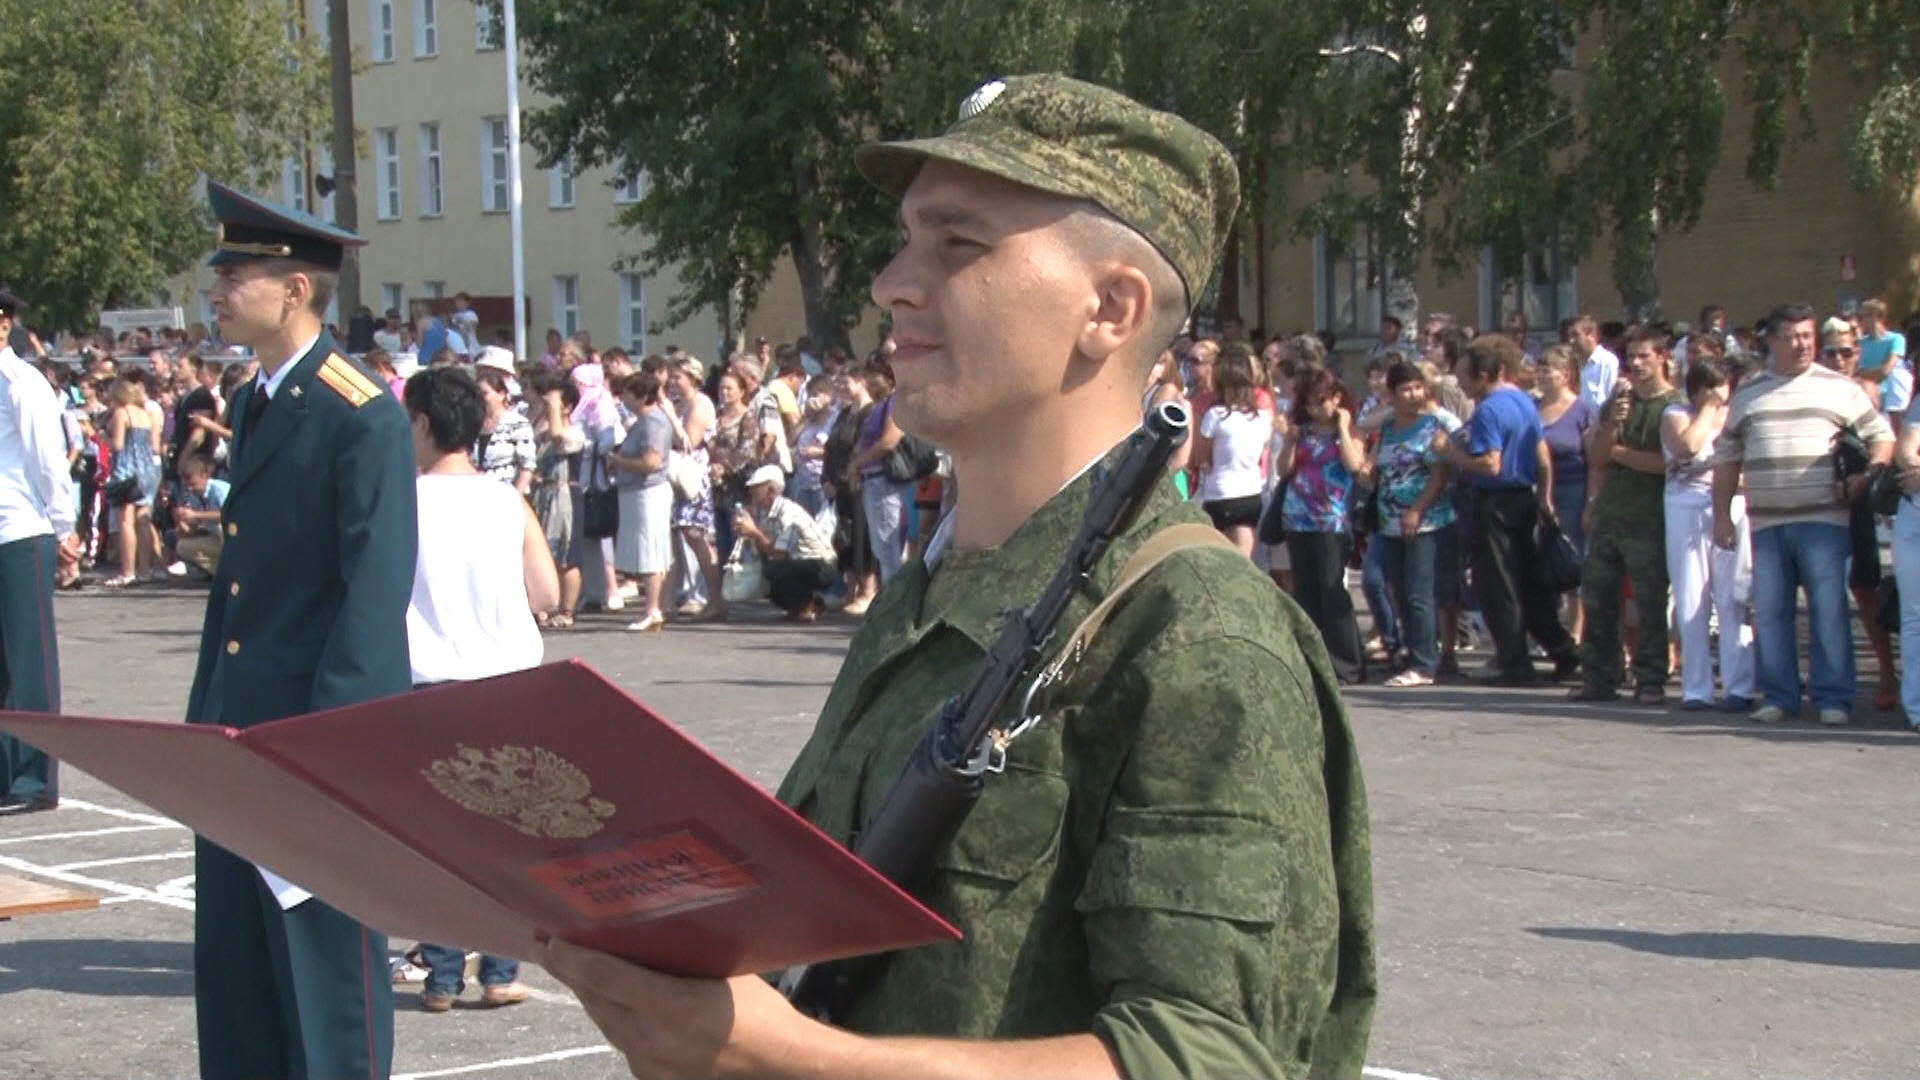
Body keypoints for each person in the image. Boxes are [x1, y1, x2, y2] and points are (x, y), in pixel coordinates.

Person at [537, 73, 1374, 1080]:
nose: (893, 283)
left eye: (959, 245)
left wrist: (783, 1056)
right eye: (905, 241)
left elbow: (1213, 1059)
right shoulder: (931, 589)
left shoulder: (1196, 635)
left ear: (1110, 308)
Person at [186, 180, 416, 1079]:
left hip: (311, 739)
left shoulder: (360, 412)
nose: (217, 289)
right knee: (240, 982)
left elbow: (373, 595)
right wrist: (207, 715)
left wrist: (334, 749)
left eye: (235, 274)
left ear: (293, 290)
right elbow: (241, 585)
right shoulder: (255, 399)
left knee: (326, 986)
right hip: (239, 732)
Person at [401, 366, 556, 1012]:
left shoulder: (402, 502)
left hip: (429, 681)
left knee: (436, 835)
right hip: (507, 682)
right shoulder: (506, 501)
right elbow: (546, 592)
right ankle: (499, 968)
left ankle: (441, 974)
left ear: (423, 424)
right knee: (502, 832)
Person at [1714, 304, 1894, 725]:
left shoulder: (1840, 388)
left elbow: (1881, 437)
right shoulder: (1748, 394)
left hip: (1825, 520)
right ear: (1771, 341)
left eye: (1808, 336)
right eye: (1792, 337)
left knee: (1829, 612)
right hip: (1766, 522)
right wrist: (1721, 516)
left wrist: (1867, 476)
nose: (1802, 345)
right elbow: (1726, 458)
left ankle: (1833, 698)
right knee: (1771, 613)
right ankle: (1779, 696)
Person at [1431, 334, 1579, 685]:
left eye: (1465, 377)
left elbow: (1490, 464)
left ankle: (1515, 663)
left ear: (1483, 376)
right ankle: (1563, 650)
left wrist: (1451, 452)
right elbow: (1542, 456)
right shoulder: (1524, 401)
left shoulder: (1488, 410)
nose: (1461, 385)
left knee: (1499, 586)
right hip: (1524, 497)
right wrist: (1543, 498)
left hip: (1495, 501)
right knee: (1529, 583)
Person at [1570, 329, 1681, 705]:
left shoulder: (1674, 406)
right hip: (1610, 512)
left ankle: (1650, 677)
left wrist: (1620, 454)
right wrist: (1614, 426)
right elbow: (1597, 457)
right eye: (1630, 357)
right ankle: (1600, 675)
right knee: (1598, 597)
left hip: (1650, 515)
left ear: (1661, 357)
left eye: (1643, 356)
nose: (1636, 364)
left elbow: (1666, 463)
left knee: (1649, 603)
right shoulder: (1619, 402)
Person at [0, 287, 77, 815]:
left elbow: (47, 459)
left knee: (30, 661)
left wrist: (62, 526)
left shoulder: (22, 382)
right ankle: (6, 771)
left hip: (21, 529)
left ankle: (35, 775)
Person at [1661, 356, 1755, 711]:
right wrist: (1708, 410)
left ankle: (1739, 686)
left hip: (1732, 507)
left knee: (1732, 598)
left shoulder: (1738, 417)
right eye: (1708, 386)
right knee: (1691, 599)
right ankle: (1697, 688)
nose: (1716, 392)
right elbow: (1688, 446)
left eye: (1721, 385)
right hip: (1685, 507)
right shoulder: (1676, 415)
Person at [1276, 365, 1369, 684]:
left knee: (1332, 589)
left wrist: (1342, 428)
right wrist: (1289, 441)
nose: (1317, 408)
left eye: (1323, 400)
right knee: (1306, 590)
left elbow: (1355, 465)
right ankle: (1314, 662)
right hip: (1298, 516)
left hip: (1332, 518)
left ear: (1336, 399)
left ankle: (1347, 663)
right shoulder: (1301, 432)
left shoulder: (1350, 431)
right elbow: (1283, 470)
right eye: (1310, 402)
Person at [1372, 361, 1461, 687]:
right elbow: (1376, 463)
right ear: (1393, 394)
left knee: (1419, 593)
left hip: (1426, 522)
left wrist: (1416, 510)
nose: (1413, 394)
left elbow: (1439, 475)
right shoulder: (1388, 427)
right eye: (1406, 389)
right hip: (1389, 520)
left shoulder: (1432, 425)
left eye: (1418, 387)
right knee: (1398, 590)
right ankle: (1413, 653)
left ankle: (1425, 664)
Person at [1190, 343, 1271, 556]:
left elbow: (1201, 457)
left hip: (1221, 493)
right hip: (1252, 492)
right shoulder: (1262, 418)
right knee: (1245, 558)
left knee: (1220, 557)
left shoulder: (1215, 416)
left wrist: (1207, 463)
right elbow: (1262, 450)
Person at [608, 370, 674, 632]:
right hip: (637, 493)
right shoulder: (643, 422)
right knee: (647, 550)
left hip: (648, 493)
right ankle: (654, 608)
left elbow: (651, 462)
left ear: (641, 396)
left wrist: (618, 461)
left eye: (627, 394)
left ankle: (653, 610)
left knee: (651, 551)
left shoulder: (653, 423)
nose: (623, 398)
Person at [732, 465, 838, 621]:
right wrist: (748, 535)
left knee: (775, 570)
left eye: (756, 489)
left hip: (821, 564)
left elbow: (779, 553)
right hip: (800, 561)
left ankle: (806, 605)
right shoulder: (768, 514)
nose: (751, 493)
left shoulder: (788, 511)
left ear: (770, 491)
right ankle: (798, 606)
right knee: (764, 572)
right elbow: (764, 548)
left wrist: (754, 532)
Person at [169, 453, 229, 577]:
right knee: (183, 547)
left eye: (193, 484)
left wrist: (196, 515)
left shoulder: (219, 490)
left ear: (204, 476)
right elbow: (193, 531)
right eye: (187, 485)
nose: (190, 488)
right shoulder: (193, 496)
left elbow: (229, 515)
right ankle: (222, 575)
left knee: (221, 528)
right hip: (216, 540)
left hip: (237, 537)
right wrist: (182, 522)